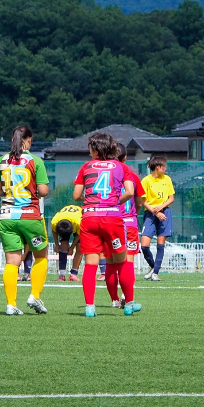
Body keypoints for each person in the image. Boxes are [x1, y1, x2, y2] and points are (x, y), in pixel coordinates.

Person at [72, 130, 138, 317]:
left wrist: (90, 200)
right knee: (121, 262)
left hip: (90, 218)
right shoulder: (121, 167)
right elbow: (130, 192)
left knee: (91, 264)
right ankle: (129, 303)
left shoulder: (86, 167)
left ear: (95, 149)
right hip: (112, 218)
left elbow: (76, 195)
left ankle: (90, 307)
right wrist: (114, 202)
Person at [0, 125, 52, 315]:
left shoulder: (2, 160)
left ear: (13, 140)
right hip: (29, 215)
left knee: (12, 262)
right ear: (30, 140)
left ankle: (11, 304)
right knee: (41, 256)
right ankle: (34, 295)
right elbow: (43, 190)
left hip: (7, 217)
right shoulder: (35, 161)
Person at [106, 144, 145, 306]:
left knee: (110, 263)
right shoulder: (132, 176)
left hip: (111, 222)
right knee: (128, 262)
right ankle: (126, 295)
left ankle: (114, 300)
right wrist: (134, 213)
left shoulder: (106, 173)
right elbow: (140, 202)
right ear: (125, 157)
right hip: (130, 224)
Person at [139, 155, 175, 280]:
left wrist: (161, 207)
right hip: (150, 213)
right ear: (157, 167)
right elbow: (143, 201)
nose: (165, 168)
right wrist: (155, 212)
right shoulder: (146, 181)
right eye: (163, 166)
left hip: (165, 212)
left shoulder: (167, 179)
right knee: (144, 246)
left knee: (161, 242)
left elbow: (171, 198)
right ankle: (154, 267)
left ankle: (155, 273)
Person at [51, 204, 83, 280]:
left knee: (80, 247)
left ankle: (73, 274)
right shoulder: (54, 222)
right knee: (63, 246)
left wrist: (72, 248)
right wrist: (56, 245)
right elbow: (54, 231)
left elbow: (79, 235)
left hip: (77, 221)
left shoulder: (79, 222)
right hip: (65, 220)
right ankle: (62, 275)